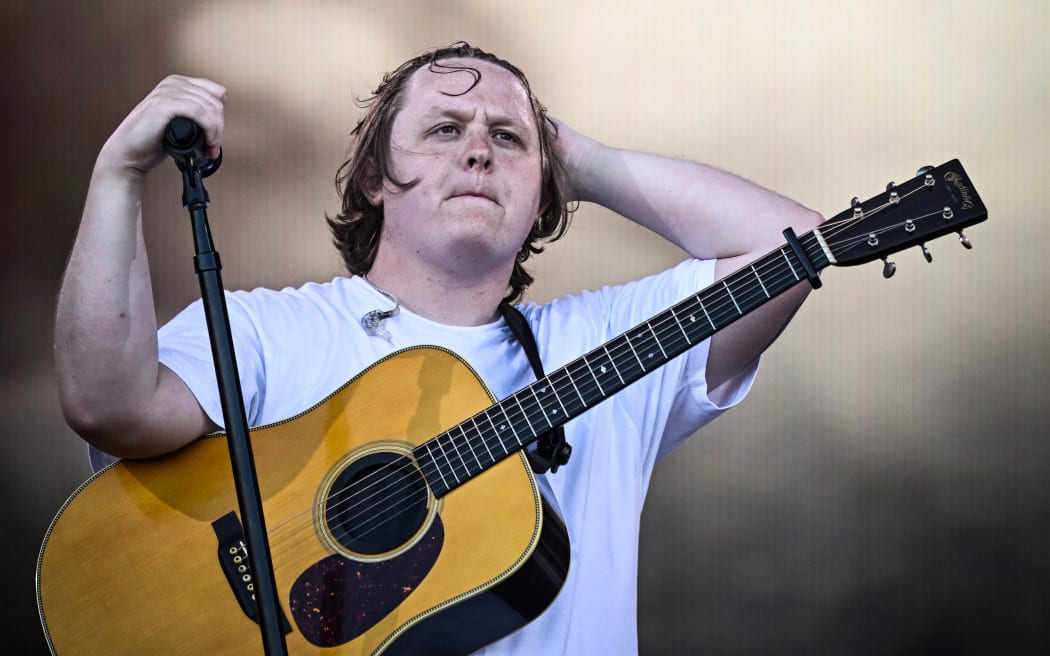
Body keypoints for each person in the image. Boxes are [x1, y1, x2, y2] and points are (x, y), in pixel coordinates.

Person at [54, 42, 822, 654]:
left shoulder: (599, 344)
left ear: (545, 192)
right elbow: (105, 404)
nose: (479, 151)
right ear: (377, 178)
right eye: (445, 130)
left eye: (507, 139)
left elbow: (794, 248)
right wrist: (118, 173)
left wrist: (570, 158)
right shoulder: (263, 330)